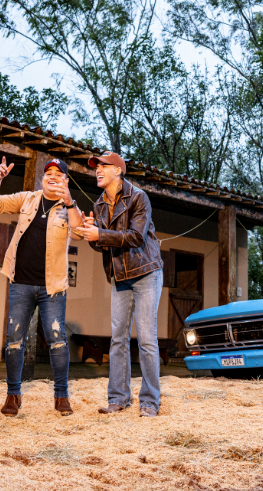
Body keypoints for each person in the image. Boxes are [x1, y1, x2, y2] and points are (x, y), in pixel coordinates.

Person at [0, 156, 83, 417]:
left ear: (65, 180)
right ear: (43, 178)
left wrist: (70, 200)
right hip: (21, 282)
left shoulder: (68, 207)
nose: (52, 176)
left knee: (57, 340)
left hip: (52, 287)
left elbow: (80, 228)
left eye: (58, 174)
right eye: (48, 172)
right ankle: (12, 394)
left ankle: (61, 396)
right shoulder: (28, 199)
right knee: (14, 340)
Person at [78, 151, 164, 418]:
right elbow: (103, 245)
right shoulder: (99, 204)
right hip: (119, 277)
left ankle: (150, 401)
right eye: (96, 167)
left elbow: (136, 237)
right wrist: (91, 234)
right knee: (118, 338)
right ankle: (118, 398)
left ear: (118, 171)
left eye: (103, 166)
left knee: (147, 339)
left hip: (147, 272)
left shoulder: (138, 197)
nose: (97, 170)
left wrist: (101, 233)